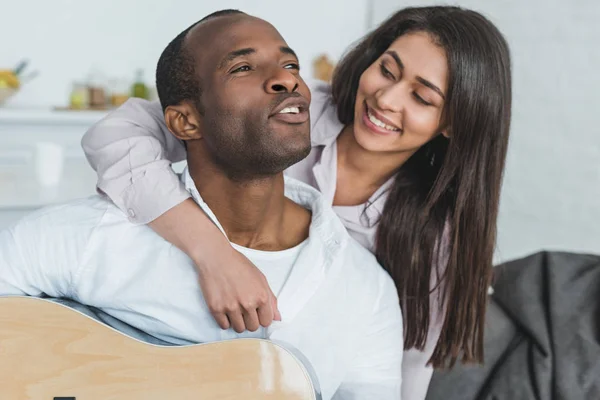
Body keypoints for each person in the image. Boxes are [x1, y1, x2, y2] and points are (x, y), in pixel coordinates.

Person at [82, 5, 512, 399]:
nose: (387, 99)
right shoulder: (289, 109)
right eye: (387, 70)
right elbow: (116, 135)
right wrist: (211, 251)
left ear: (454, 124)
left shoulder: (436, 239)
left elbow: (403, 372)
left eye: (422, 97)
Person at [0, 10, 404, 400]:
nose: (286, 79)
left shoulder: (366, 291)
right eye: (243, 68)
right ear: (185, 123)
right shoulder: (97, 237)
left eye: (292, 65)